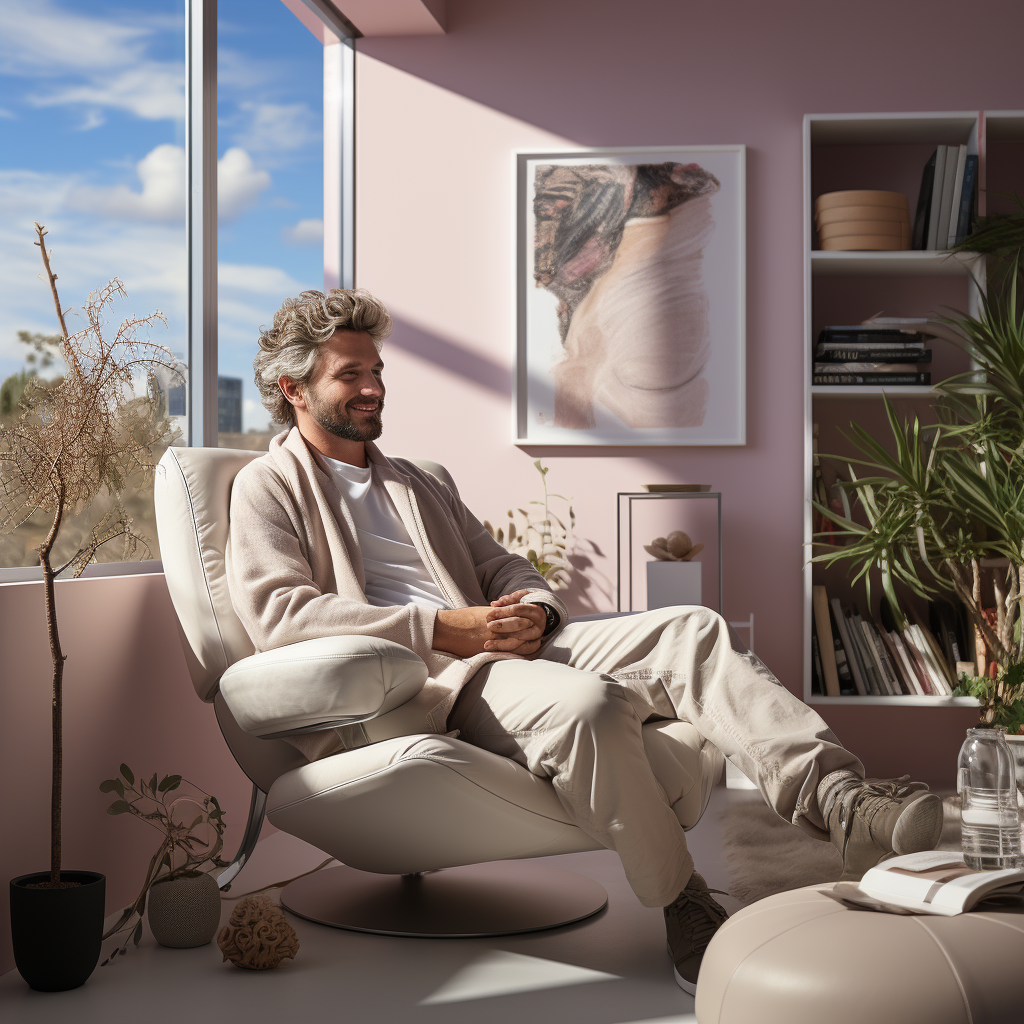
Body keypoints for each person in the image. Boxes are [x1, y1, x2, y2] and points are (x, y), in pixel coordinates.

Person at [225, 288, 944, 995]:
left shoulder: (417, 482)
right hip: (438, 680)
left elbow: (503, 565)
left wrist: (537, 610)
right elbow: (281, 614)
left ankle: (840, 802)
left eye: (377, 370)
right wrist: (448, 628)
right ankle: (681, 899)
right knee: (591, 707)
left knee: (692, 631)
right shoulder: (268, 486)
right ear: (293, 387)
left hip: (501, 644)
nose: (373, 387)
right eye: (350, 374)